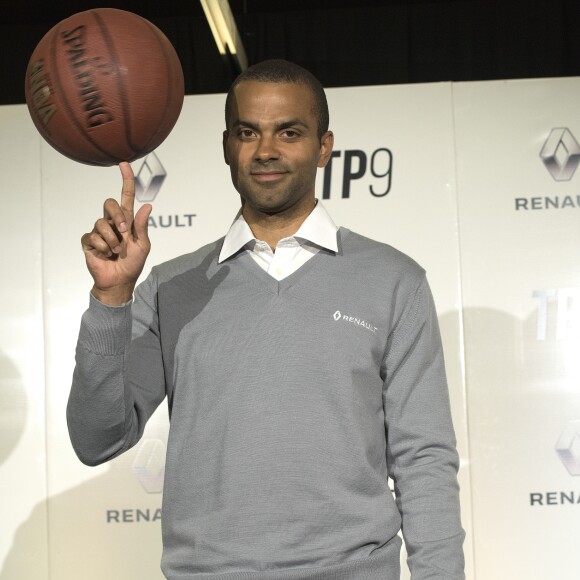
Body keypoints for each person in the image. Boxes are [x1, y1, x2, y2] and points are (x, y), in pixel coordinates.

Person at [68, 59, 465, 579]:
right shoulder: (171, 286)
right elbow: (96, 439)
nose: (266, 151)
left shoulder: (394, 281)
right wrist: (111, 297)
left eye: (290, 132)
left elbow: (424, 460)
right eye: (247, 132)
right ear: (227, 146)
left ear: (324, 146)